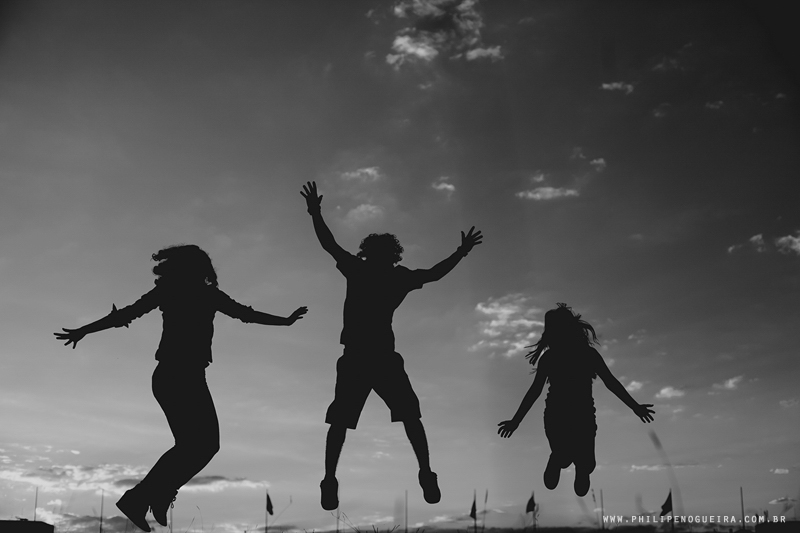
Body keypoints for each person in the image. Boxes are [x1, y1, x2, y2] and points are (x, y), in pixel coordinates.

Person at [54, 244, 307, 531]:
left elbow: (126, 315)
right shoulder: (198, 293)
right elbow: (243, 314)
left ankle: (150, 496)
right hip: (179, 375)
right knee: (203, 445)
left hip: (176, 376)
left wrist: (84, 330)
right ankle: (144, 497)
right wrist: (84, 329)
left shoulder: (177, 292)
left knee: (194, 445)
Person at [300, 181, 482, 510]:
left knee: (373, 419)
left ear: (374, 253)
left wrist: (316, 212)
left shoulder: (367, 271)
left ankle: (415, 474)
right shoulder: (389, 275)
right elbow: (435, 273)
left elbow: (330, 245)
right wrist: (461, 252)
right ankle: (341, 479)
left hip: (370, 356)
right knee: (392, 418)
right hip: (368, 356)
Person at [497, 303, 654, 497]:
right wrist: (516, 420)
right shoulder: (552, 358)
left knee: (587, 465)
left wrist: (635, 407)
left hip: (582, 415)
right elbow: (534, 391)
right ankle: (557, 460)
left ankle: (578, 467)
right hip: (559, 415)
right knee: (563, 458)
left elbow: (611, 382)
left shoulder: (586, 355)